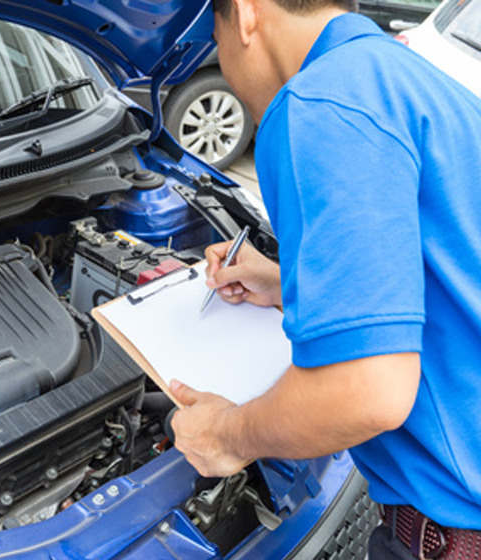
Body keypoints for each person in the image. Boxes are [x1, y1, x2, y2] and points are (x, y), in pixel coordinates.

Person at [168, 0, 481, 558]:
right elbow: (445, 275)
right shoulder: (401, 78)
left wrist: (227, 435)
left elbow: (366, 390)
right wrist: (286, 283)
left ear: (243, 14)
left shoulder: (319, 102)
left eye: (212, 34)